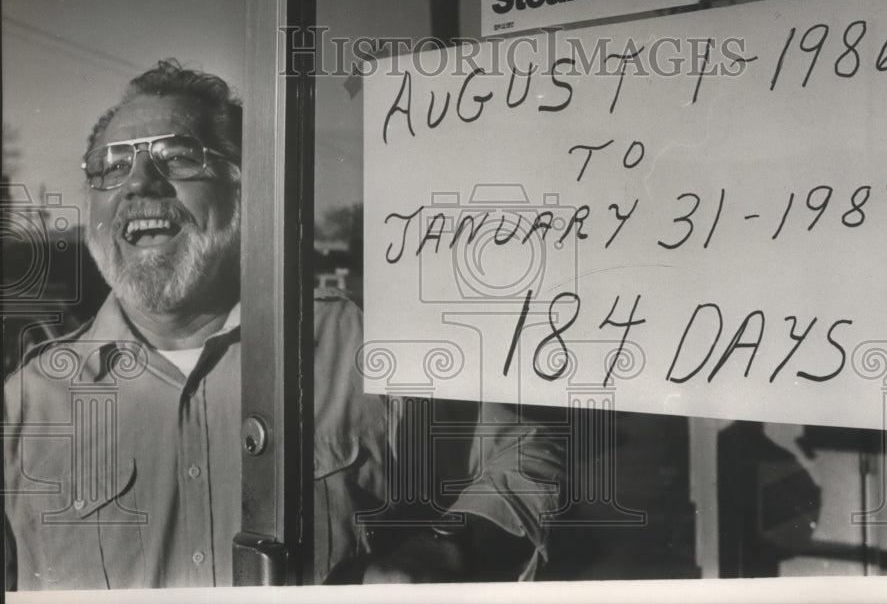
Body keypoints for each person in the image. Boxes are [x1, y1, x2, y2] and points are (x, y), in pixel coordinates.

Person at [3, 60, 564, 590]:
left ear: (248, 190)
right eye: (112, 166)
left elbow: (527, 455)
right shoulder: (25, 405)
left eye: (177, 157)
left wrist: (445, 552)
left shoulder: (359, 347)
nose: (139, 182)